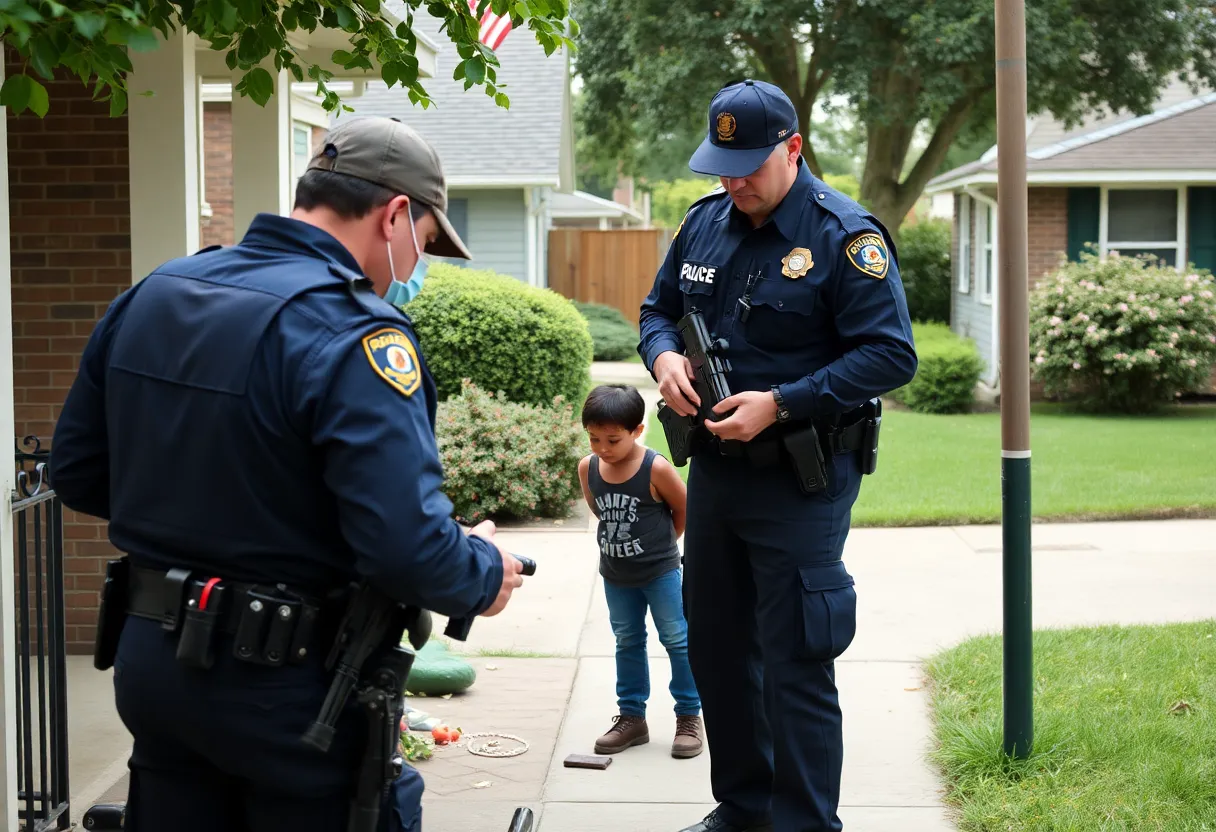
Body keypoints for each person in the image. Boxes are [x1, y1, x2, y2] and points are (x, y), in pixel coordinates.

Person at [48, 116, 525, 832]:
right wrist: (485, 573)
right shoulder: (356, 335)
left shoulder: (157, 292)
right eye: (424, 243)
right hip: (286, 686)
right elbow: (406, 547)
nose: (417, 264)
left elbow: (80, 474)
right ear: (396, 215)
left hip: (154, 671)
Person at [637, 80, 918, 832]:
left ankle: (802, 823)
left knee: (794, 661)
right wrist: (662, 356)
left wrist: (782, 402)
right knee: (721, 651)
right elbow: (658, 310)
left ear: (793, 149)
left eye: (748, 166)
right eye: (721, 165)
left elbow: (891, 355)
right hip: (718, 476)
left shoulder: (842, 236)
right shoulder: (704, 226)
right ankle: (743, 808)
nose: (732, 181)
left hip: (803, 478)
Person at [576, 384, 703, 760]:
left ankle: (688, 717)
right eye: (594, 438)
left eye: (612, 440)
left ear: (637, 431)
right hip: (616, 575)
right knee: (627, 640)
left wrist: (662, 545)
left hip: (660, 573)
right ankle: (632, 717)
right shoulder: (588, 467)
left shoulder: (655, 467)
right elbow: (599, 510)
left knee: (677, 640)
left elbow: (684, 510)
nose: (602, 448)